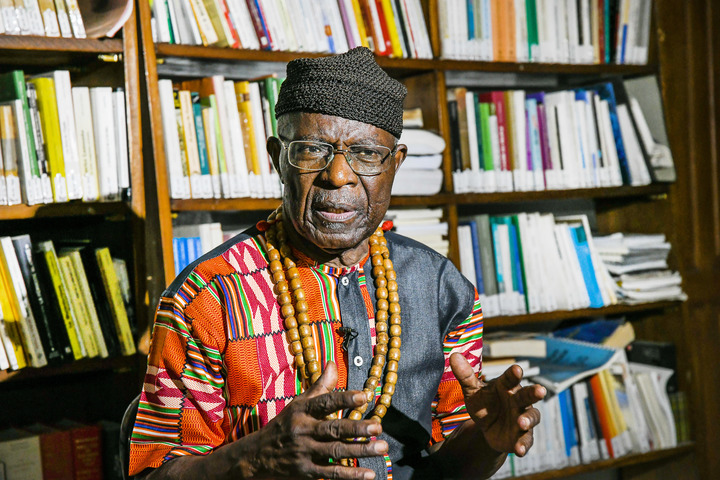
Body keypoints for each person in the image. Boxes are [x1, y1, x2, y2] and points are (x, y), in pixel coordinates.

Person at [129, 46, 546, 480]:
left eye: (366, 153)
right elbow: (149, 474)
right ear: (277, 159)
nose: (339, 175)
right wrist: (252, 460)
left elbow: (448, 467)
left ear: (395, 164)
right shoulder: (207, 296)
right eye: (312, 150)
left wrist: (489, 442)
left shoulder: (441, 287)